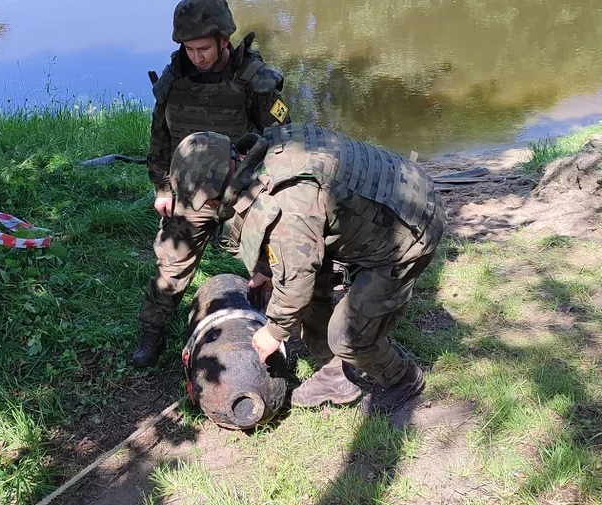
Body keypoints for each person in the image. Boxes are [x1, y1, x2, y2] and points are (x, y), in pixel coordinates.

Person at [167, 124, 446, 414]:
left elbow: (296, 283)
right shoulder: (269, 149)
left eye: (207, 202)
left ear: (215, 192)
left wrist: (273, 332)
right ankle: (336, 374)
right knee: (307, 290)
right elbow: (299, 246)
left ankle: (402, 379)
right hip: (398, 193)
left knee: (348, 337)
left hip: (409, 231)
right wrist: (266, 270)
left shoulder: (285, 205)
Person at [132, 0, 290, 368]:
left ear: (224, 39)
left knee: (268, 264)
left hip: (246, 187)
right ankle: (151, 333)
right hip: (193, 189)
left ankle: (272, 338)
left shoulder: (254, 79)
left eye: (204, 48)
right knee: (173, 261)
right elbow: (160, 137)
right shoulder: (176, 79)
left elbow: (283, 141)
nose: (197, 57)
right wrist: (162, 187)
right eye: (189, 49)